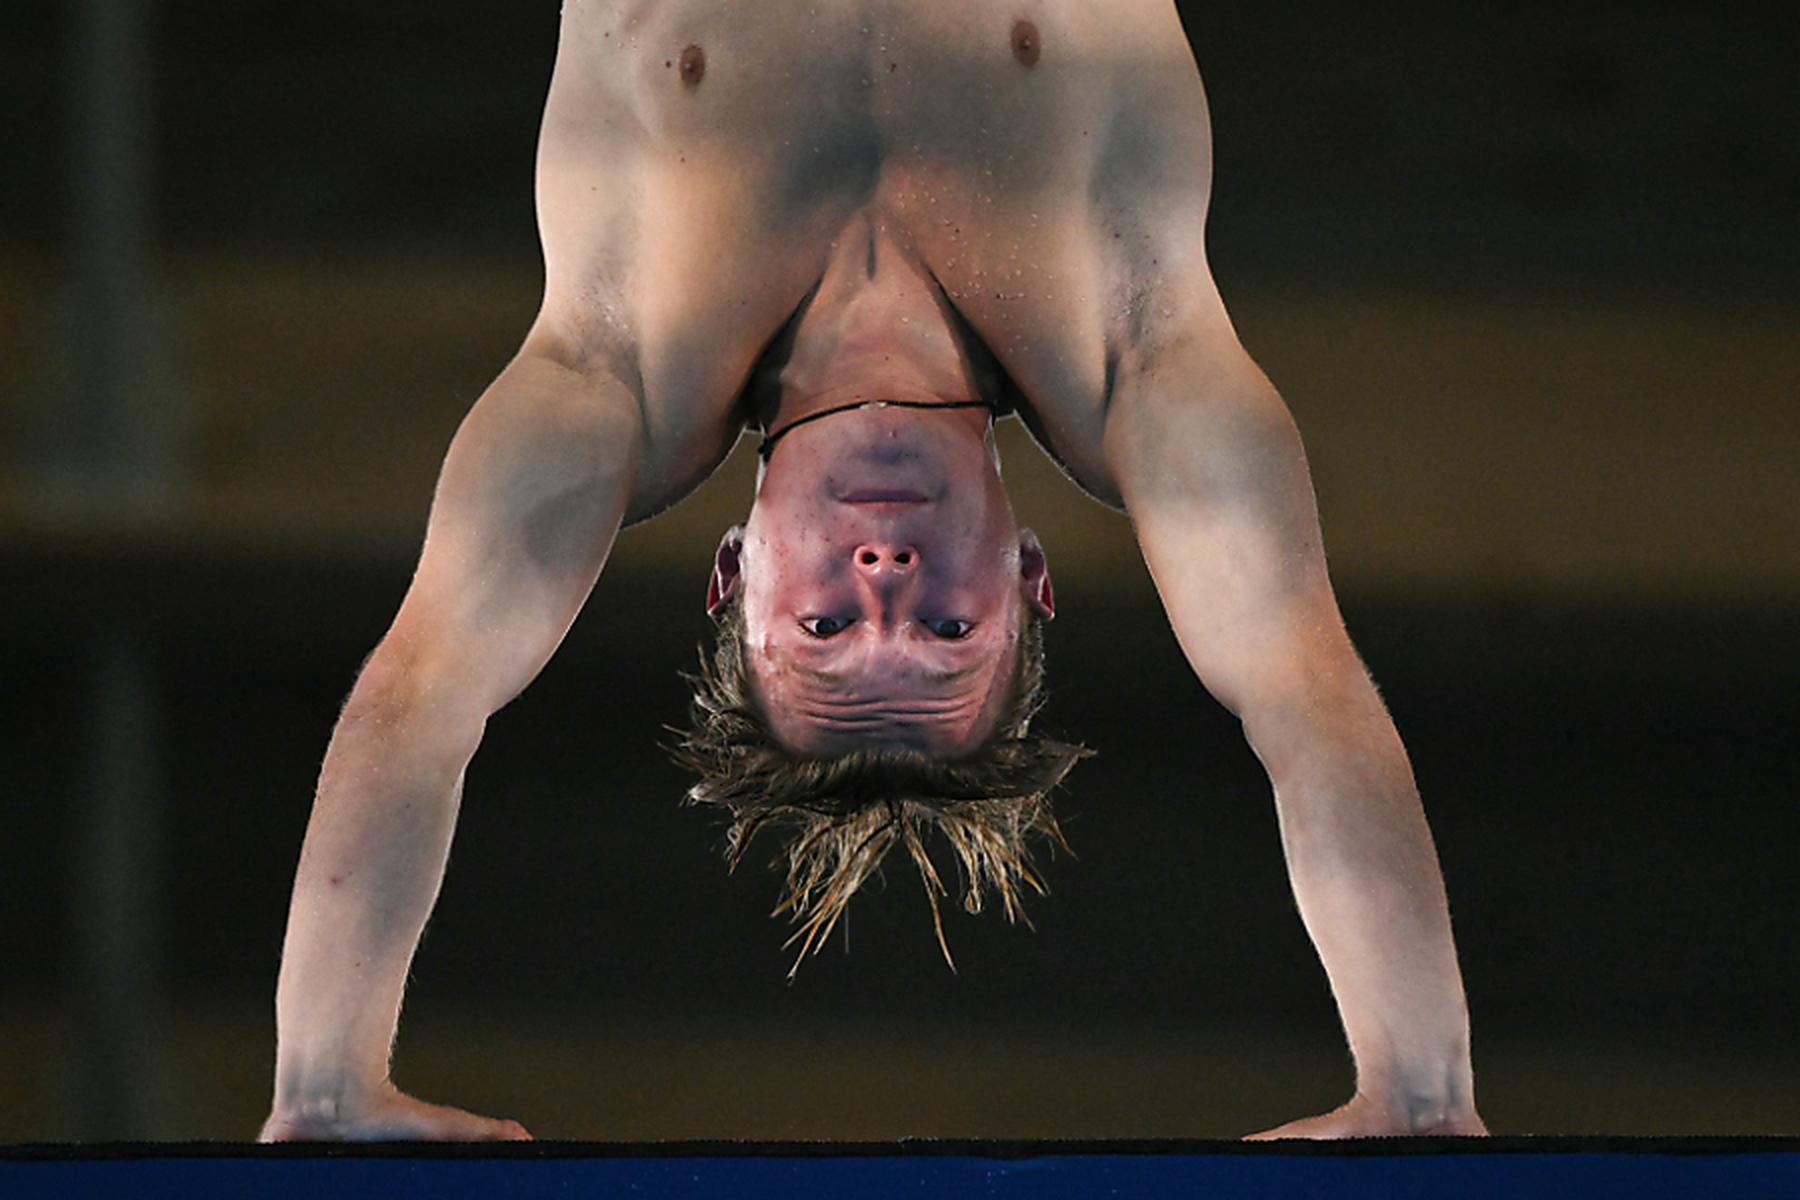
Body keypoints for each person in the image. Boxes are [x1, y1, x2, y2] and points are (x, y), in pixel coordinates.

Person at [259, 0, 1486, 1142]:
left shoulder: (616, 376)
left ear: (735, 578)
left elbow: (424, 690)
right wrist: (1422, 1095)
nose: (886, 576)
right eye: (948, 630)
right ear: (1029, 576)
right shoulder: (1134, 358)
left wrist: (321, 1084)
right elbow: (1300, 689)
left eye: (827, 626)